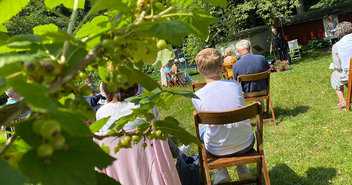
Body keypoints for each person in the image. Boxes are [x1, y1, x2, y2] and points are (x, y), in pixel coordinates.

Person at [95, 83, 181, 185]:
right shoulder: (146, 106)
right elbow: (159, 140)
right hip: (150, 172)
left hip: (119, 174)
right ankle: (181, 154)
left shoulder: (101, 113)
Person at [192, 48, 255, 184]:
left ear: (199, 70)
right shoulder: (236, 86)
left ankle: (221, 171)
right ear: (221, 68)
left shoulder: (196, 96)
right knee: (232, 120)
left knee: (204, 125)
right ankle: (242, 167)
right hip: (245, 143)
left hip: (216, 150)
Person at [330, 21, 352, 109]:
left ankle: (342, 101)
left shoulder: (337, 46)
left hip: (349, 73)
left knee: (336, 75)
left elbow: (338, 67)